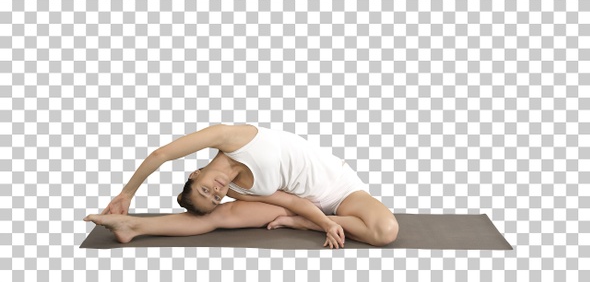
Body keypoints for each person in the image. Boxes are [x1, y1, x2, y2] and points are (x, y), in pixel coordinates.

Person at [84, 124, 398, 248]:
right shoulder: (235, 190)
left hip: (339, 187)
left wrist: (127, 192)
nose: (217, 190)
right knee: (221, 217)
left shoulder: (230, 137)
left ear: (195, 173)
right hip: (301, 203)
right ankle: (133, 226)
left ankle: (302, 226)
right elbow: (292, 201)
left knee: (385, 231)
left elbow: (161, 154)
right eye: (216, 195)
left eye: (207, 189)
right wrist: (326, 223)